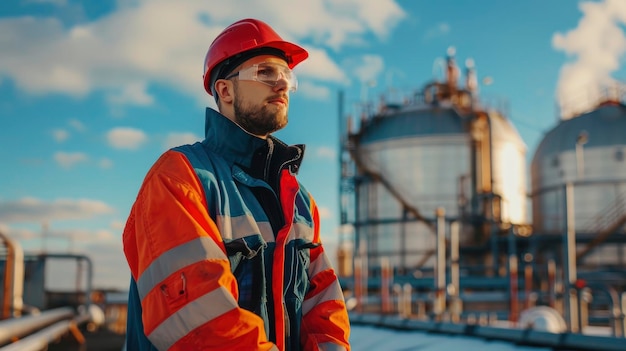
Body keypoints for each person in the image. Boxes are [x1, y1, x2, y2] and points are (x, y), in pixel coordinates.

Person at [122, 18, 351, 351]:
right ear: (225, 90)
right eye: (265, 73)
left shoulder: (299, 200)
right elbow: (200, 323)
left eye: (287, 75)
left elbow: (324, 306)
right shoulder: (180, 179)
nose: (283, 85)